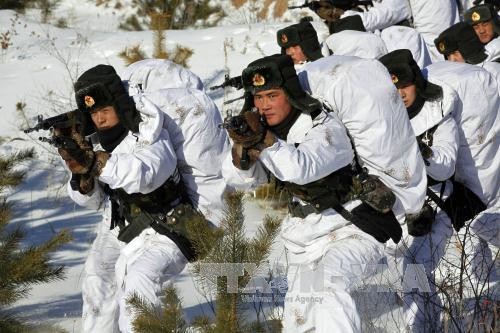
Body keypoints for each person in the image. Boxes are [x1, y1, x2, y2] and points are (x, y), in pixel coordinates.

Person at [222, 54, 403, 332]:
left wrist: (265, 141)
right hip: (303, 240)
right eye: (258, 98)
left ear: (290, 93)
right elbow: (239, 180)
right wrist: (242, 150)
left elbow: (300, 167)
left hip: (350, 227)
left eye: (272, 95)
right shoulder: (267, 132)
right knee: (299, 320)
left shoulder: (324, 126)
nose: (264, 105)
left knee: (329, 285)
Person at [58, 63, 228, 332]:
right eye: (93, 113)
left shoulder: (148, 129)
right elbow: (93, 202)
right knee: (97, 277)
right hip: (124, 221)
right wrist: (83, 178)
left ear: (119, 105)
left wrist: (97, 164)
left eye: (104, 110)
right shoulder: (95, 140)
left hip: (169, 220)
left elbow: (147, 175)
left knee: (138, 281)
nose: (99, 119)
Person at [379, 49, 459, 332]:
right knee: (405, 278)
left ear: (417, 83)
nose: (399, 93)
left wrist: (419, 151)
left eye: (405, 85)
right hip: (395, 208)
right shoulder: (378, 122)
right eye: (393, 88)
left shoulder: (439, 115)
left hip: (434, 203)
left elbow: (446, 167)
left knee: (416, 272)